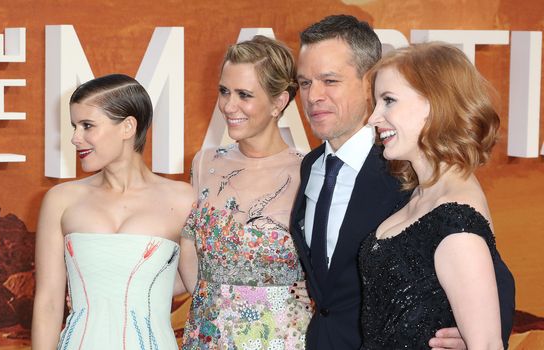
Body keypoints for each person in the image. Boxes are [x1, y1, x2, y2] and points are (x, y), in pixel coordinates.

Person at [289, 15, 513, 350]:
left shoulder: (403, 169)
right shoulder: (312, 166)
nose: (312, 96)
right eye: (305, 83)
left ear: (367, 83)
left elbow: (490, 276)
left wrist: (477, 337)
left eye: (329, 80)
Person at [359, 42, 515, 349]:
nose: (373, 118)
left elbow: (486, 344)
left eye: (388, 100)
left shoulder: (455, 220)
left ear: (435, 102)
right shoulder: (424, 194)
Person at [31, 74, 194, 350]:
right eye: (74, 126)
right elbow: (48, 304)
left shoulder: (183, 199)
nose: (75, 138)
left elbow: (202, 288)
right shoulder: (60, 200)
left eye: (87, 126)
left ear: (128, 127)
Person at [178, 35, 312, 349]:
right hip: (209, 335)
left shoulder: (309, 172)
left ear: (279, 101)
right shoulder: (205, 164)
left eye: (244, 94)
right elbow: (187, 252)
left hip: (282, 338)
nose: (228, 105)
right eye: (224, 91)